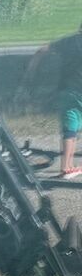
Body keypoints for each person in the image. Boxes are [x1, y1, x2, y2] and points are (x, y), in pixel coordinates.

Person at [37, 22, 82, 178]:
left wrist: (31, 70)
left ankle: (67, 166)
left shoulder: (69, 41)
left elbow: (43, 50)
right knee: (74, 128)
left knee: (70, 128)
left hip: (67, 90)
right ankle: (67, 166)